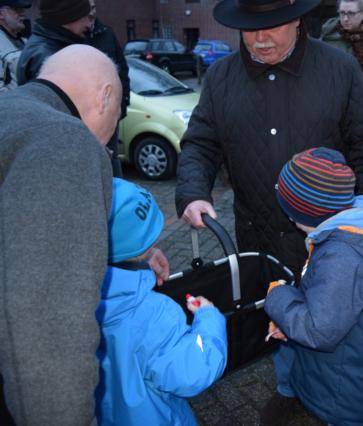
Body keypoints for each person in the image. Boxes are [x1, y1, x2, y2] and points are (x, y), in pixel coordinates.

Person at [176, 0, 363, 279]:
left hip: (329, 248)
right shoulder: (221, 76)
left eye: (272, 26)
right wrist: (193, 193)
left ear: (296, 19)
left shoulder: (340, 69)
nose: (261, 38)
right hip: (255, 246)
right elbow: (200, 144)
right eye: (250, 28)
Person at [0, 45, 122, 425]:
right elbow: (47, 332)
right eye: (119, 112)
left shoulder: (10, 112)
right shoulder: (64, 141)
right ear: (105, 97)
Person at [262, 147, 363, 425]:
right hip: (350, 363)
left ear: (305, 213)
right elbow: (327, 304)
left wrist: (277, 295)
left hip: (346, 389)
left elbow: (317, 330)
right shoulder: (351, 231)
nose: (290, 220)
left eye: (291, 213)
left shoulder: (341, 257)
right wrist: (289, 321)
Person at [96, 178, 227, 425]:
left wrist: (143, 259)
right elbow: (195, 372)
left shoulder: (67, 298)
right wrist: (209, 318)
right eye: (151, 240)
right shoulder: (153, 314)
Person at [88, 0, 129, 177]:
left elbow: (122, 70)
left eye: (93, 7)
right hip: (89, 115)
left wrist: (122, 104)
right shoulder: (73, 38)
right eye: (87, 8)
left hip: (110, 112)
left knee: (112, 160)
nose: (91, 12)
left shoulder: (106, 33)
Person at [17, 0, 92, 84]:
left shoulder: (55, 45)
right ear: (68, 18)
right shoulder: (46, 56)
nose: (88, 24)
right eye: (84, 17)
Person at [0, 0, 31, 92]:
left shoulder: (26, 42)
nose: (23, 14)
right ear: (1, 14)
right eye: (17, 9)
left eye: (22, 9)